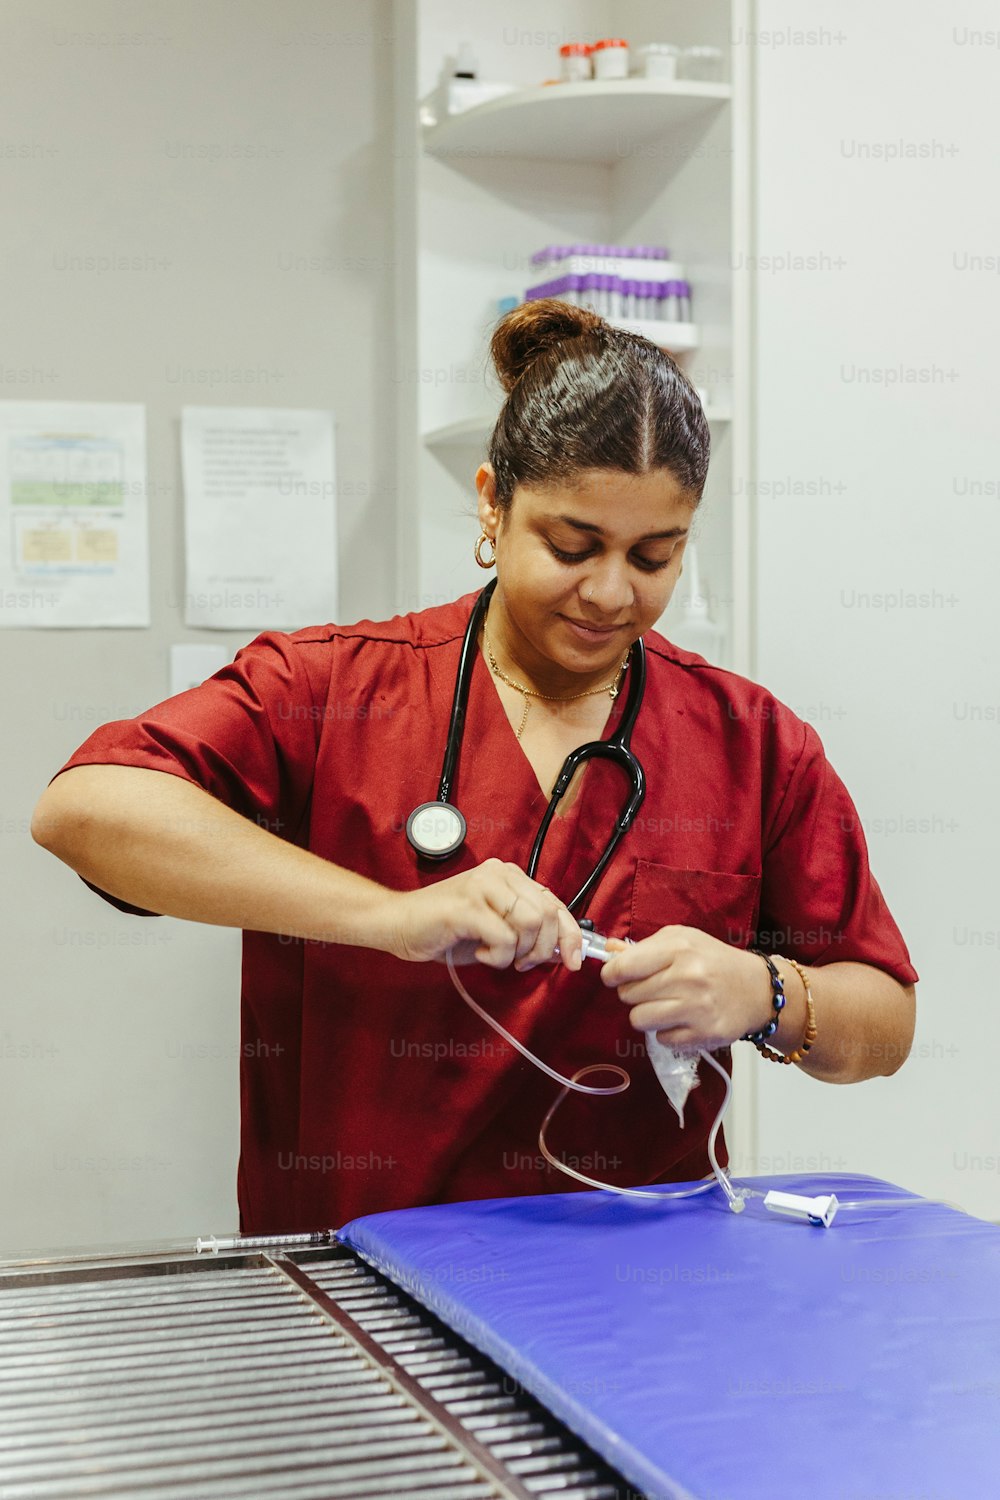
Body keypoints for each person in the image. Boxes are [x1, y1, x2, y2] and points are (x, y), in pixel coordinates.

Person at [31, 299, 917, 1233]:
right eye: (572, 546)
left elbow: (883, 1022)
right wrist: (393, 916)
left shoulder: (752, 741)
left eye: (655, 556)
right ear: (493, 502)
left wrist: (766, 993)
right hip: (369, 1270)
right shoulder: (331, 687)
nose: (611, 593)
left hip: (651, 1284)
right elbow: (87, 810)